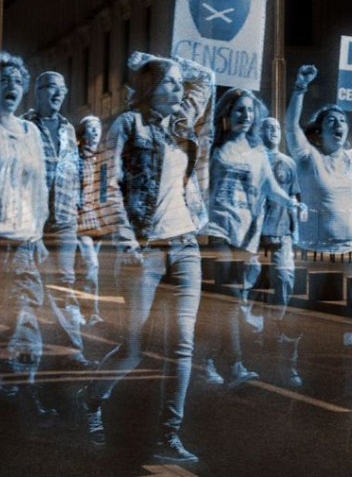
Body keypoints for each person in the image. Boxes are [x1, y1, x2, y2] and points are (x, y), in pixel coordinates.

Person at [78, 52, 214, 464]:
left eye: (176, 82)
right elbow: (105, 185)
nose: (178, 88)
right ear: (151, 89)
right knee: (133, 346)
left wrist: (160, 60)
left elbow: (205, 76)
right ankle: (91, 399)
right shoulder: (127, 124)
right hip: (144, 250)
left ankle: (168, 434)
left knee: (184, 345)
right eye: (169, 82)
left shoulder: (181, 123)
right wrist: (125, 241)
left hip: (185, 245)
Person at [285, 67, 352, 398]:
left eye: (343, 122)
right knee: (310, 315)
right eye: (331, 122)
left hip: (349, 255)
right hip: (313, 253)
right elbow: (290, 127)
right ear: (318, 132)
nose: (339, 126)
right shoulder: (308, 159)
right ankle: (298, 366)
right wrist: (300, 88)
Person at [202, 88, 302, 389]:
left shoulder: (258, 152)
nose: (245, 116)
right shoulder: (213, 147)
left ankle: (208, 359)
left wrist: (294, 203)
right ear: (226, 115)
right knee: (230, 298)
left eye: (249, 110)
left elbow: (272, 189)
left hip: (245, 236)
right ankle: (232, 365)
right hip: (216, 231)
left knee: (228, 302)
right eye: (238, 110)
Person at [0, 52, 53, 418]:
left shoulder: (32, 133)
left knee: (25, 322)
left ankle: (27, 395)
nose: (12, 86)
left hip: (23, 243)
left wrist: (39, 233)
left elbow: (40, 186)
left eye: (17, 81)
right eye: (3, 80)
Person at [23, 71, 92, 369]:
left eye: (62, 89)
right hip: (32, 218)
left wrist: (77, 208)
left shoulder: (68, 129)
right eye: (51, 87)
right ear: (38, 91)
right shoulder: (26, 127)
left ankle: (72, 351)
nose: (58, 94)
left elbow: (74, 171)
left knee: (64, 282)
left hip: (64, 218)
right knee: (29, 284)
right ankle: (28, 354)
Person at [258, 116, 305, 387]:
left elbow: (295, 199)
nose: (273, 131)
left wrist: (295, 232)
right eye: (268, 127)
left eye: (277, 127)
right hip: (254, 235)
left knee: (284, 279)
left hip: (282, 233)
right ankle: (256, 332)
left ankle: (277, 328)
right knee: (252, 285)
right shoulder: (253, 159)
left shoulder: (288, 163)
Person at [76, 115, 107, 328]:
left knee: (90, 269)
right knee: (90, 266)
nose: (95, 131)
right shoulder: (76, 159)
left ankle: (90, 311)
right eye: (90, 128)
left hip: (98, 220)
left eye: (98, 128)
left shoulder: (103, 160)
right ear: (82, 134)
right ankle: (85, 311)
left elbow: (105, 193)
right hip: (80, 219)